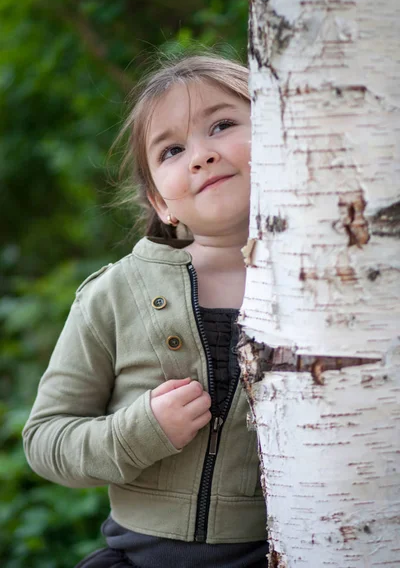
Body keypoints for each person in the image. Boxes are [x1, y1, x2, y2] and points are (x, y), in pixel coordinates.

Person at [22, 53, 269, 567]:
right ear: (161, 201)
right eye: (172, 149)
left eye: (222, 125)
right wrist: (141, 430)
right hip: (139, 558)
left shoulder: (327, 289)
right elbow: (45, 439)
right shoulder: (114, 294)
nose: (200, 155)